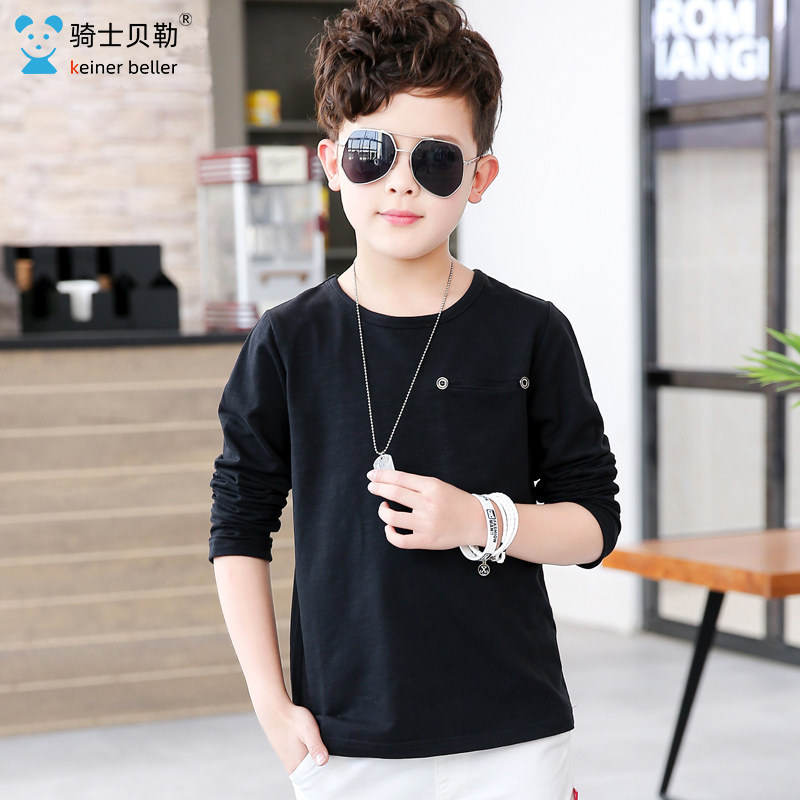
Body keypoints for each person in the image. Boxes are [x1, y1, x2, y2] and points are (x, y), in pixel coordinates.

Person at [209, 1, 620, 798]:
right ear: (332, 162)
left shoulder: (531, 332)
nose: (401, 181)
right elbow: (239, 523)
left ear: (479, 177)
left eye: (435, 159)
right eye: (372, 154)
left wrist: (480, 521)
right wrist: (270, 705)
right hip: (344, 736)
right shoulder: (288, 341)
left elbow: (593, 524)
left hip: (514, 733)